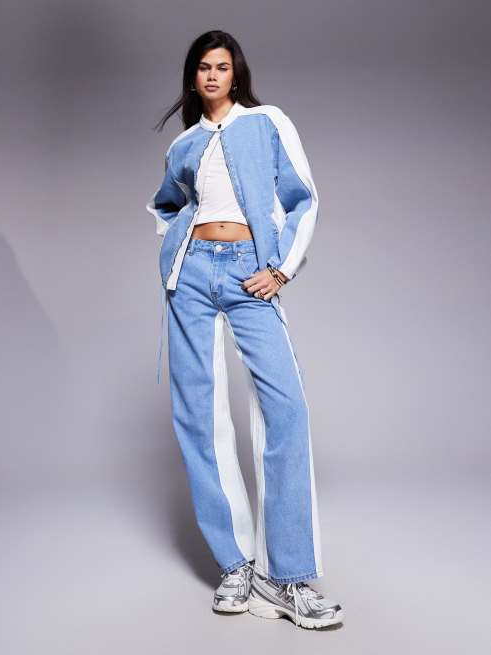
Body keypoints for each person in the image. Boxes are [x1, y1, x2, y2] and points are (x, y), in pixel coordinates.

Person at [147, 30, 344, 630]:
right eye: (203, 67)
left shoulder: (268, 122)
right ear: (193, 76)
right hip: (191, 278)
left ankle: (289, 576)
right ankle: (236, 566)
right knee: (198, 415)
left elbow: (303, 199)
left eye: (222, 66)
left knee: (286, 409)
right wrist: (175, 251)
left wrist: (280, 267)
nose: (212, 75)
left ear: (237, 74)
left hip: (249, 274)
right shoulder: (183, 143)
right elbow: (166, 206)